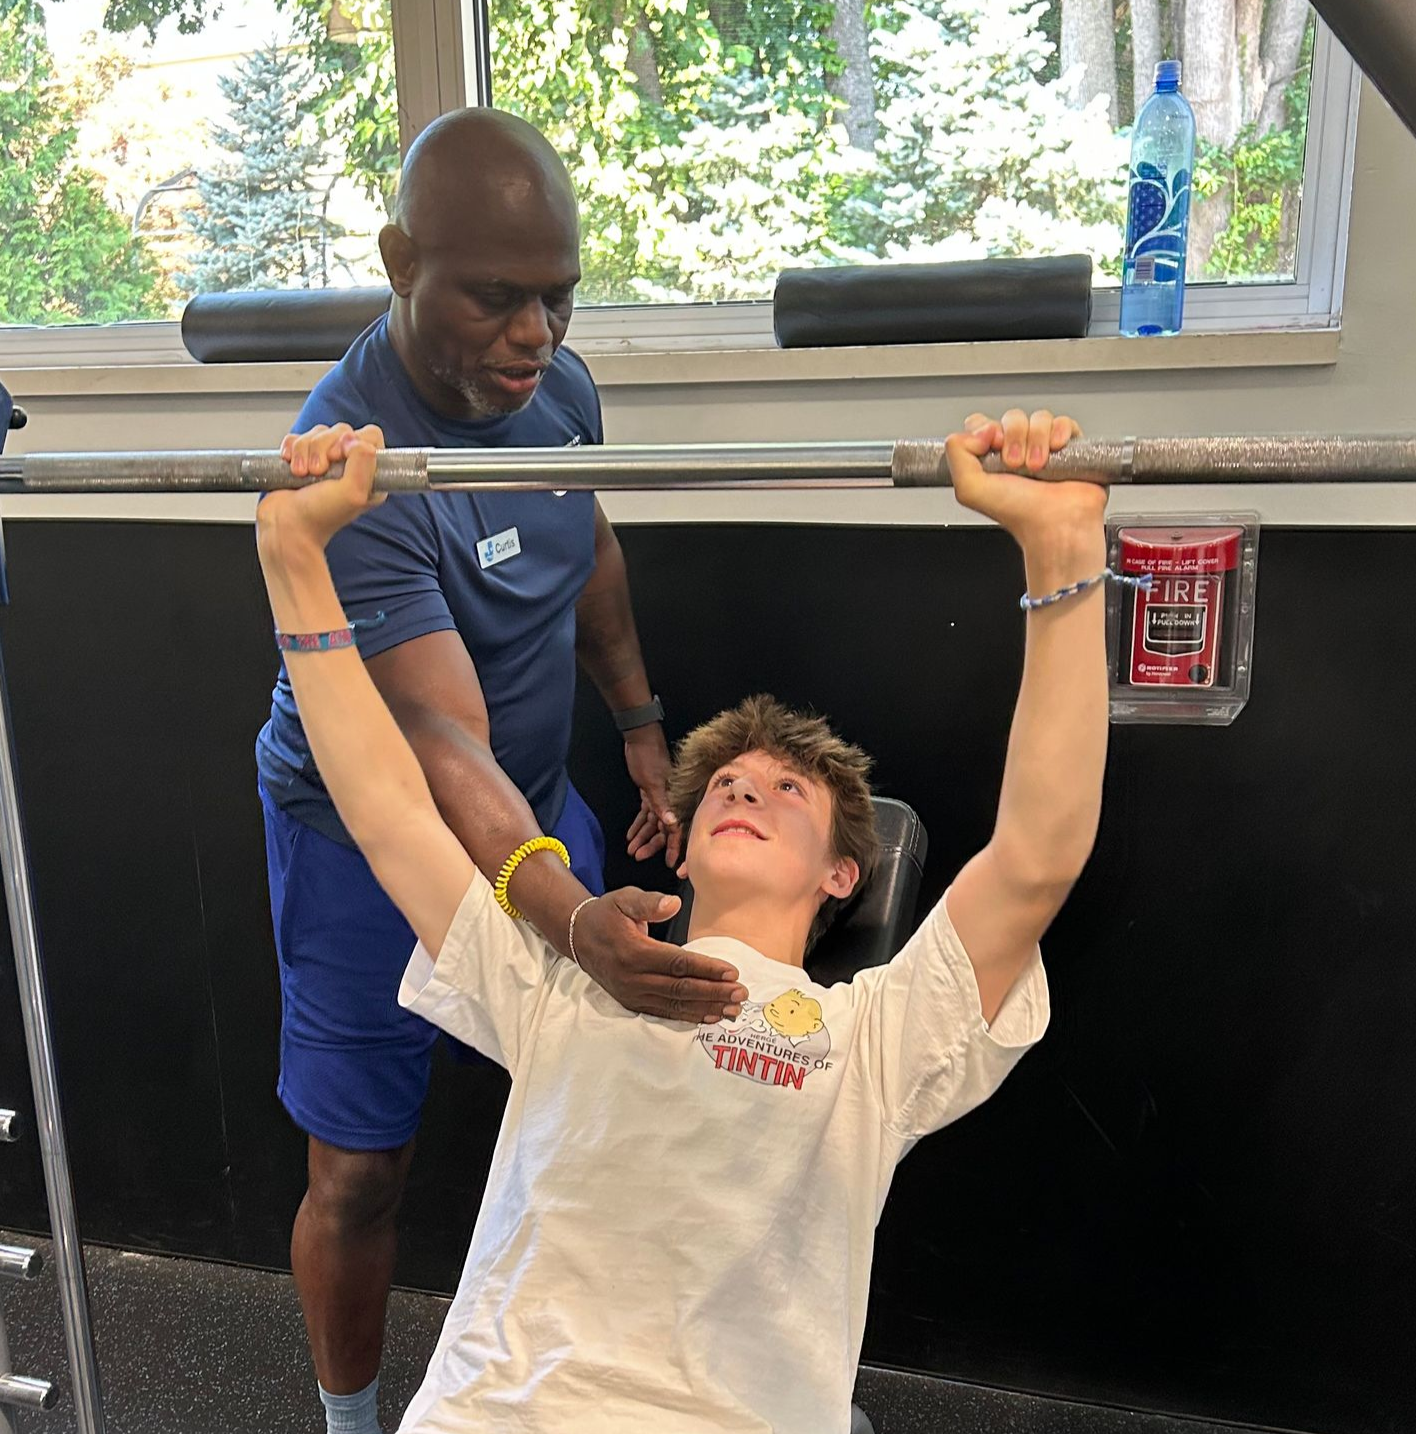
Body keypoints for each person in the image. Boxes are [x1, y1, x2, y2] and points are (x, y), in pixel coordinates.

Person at [256, 405, 1107, 1432]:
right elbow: (391, 813)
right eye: (727, 786)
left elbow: (1035, 859)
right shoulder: (565, 991)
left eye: (787, 790)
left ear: (843, 874)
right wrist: (294, 558)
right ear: (685, 842)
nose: (746, 790)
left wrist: (1062, 552)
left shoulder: (875, 1039)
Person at [254, 107, 744, 1434]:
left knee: (613, 1109)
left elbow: (589, 547)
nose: (536, 333)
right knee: (362, 1173)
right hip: (364, 848)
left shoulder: (555, 391)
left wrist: (637, 721)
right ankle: (351, 1424)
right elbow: (436, 740)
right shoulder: (352, 466)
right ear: (400, 260)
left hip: (531, 802)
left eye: (557, 298)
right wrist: (569, 915)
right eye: (496, 299)